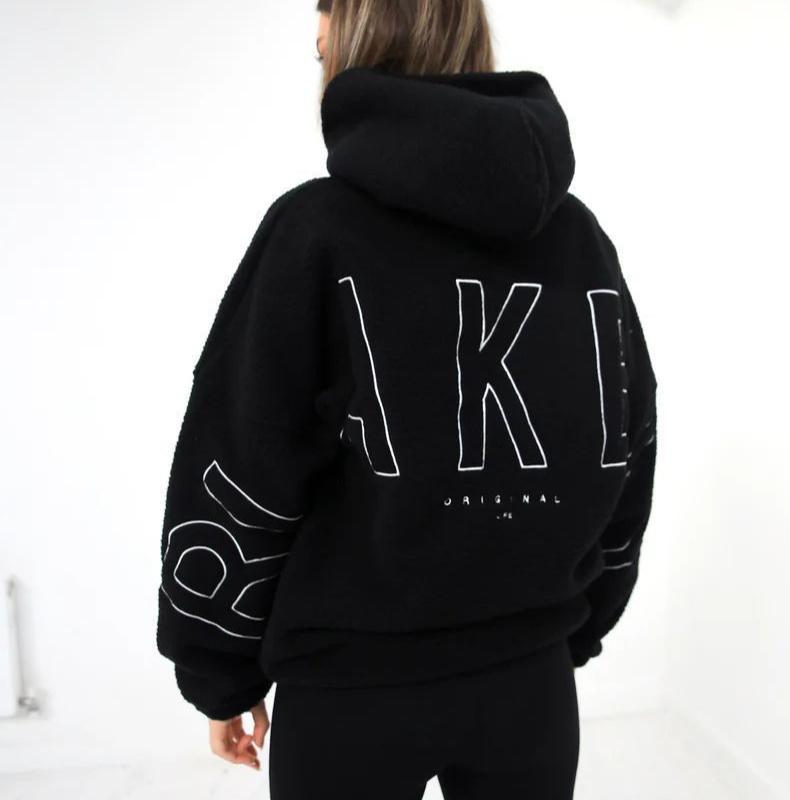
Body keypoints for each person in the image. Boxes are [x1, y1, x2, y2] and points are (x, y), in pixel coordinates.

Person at [156, 0, 658, 797]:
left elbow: (244, 454)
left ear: (356, 45)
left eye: (320, 46)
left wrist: (217, 666)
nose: (318, 63)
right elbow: (627, 438)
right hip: (530, 685)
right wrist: (587, 612)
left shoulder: (315, 228)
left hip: (350, 692)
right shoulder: (578, 237)